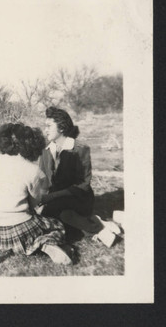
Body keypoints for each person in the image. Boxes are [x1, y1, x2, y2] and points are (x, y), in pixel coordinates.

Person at [0, 123, 72, 265]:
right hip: (18, 228)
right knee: (55, 225)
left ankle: (30, 245)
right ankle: (44, 243)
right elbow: (34, 204)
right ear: (32, 145)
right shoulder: (32, 170)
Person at [38, 106, 121, 247]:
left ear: (62, 128)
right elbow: (43, 183)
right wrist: (40, 199)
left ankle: (98, 229)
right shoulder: (45, 151)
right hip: (56, 202)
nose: (45, 130)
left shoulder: (81, 149)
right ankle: (96, 222)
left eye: (48, 126)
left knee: (51, 215)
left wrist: (51, 197)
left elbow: (83, 185)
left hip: (79, 199)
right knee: (61, 215)